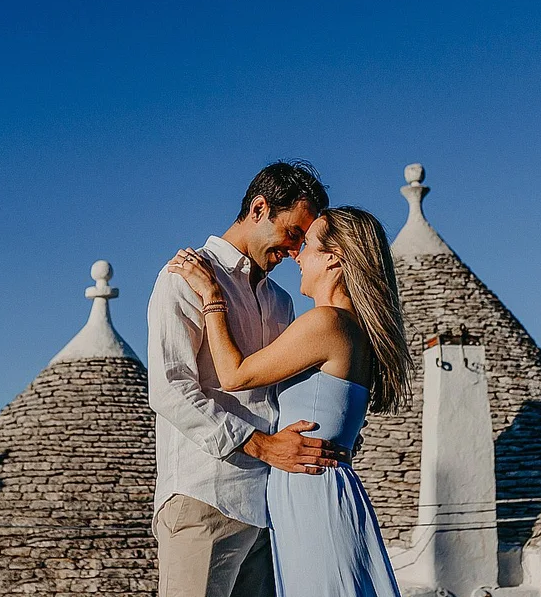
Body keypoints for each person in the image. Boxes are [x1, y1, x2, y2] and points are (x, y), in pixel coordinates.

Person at [168, 206, 412, 597]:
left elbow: (234, 375)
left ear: (335, 258)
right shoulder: (352, 329)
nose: (296, 255)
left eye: (308, 244)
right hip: (312, 488)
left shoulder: (326, 322)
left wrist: (213, 296)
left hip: (310, 492)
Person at [148, 161, 342, 597]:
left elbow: (281, 395)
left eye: (303, 241)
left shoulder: (282, 301)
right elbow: (170, 390)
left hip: (269, 507)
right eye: (293, 233)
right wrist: (261, 445)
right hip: (205, 498)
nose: (296, 251)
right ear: (259, 208)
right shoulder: (182, 279)